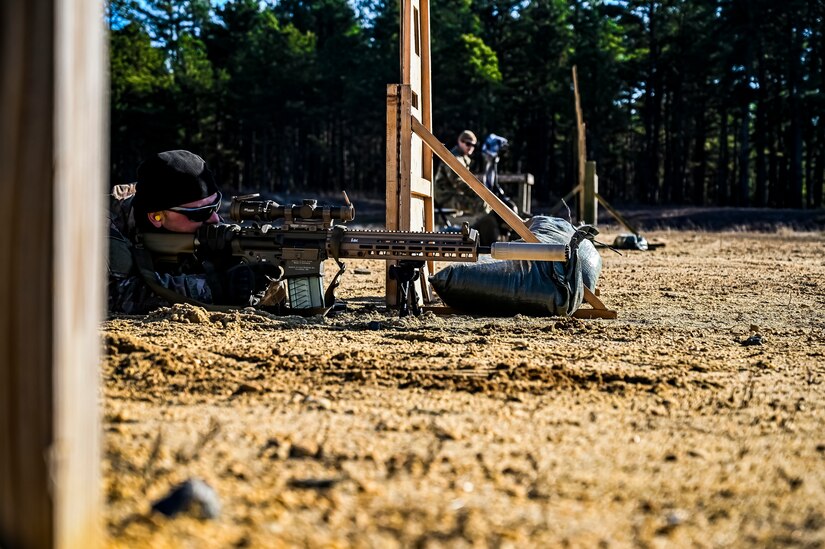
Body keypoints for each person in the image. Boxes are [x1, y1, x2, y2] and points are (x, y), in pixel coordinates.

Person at [108, 150, 269, 314]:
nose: (214, 219)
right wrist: (214, 287)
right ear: (156, 217)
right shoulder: (100, 228)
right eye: (200, 213)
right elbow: (114, 296)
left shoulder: (204, 227)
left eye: (215, 207)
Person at [433, 130, 487, 217]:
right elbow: (458, 183)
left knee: (485, 203)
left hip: (453, 195)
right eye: (468, 144)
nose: (471, 147)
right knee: (482, 204)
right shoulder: (453, 158)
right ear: (460, 142)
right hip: (446, 197)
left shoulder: (463, 158)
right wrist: (478, 193)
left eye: (473, 145)